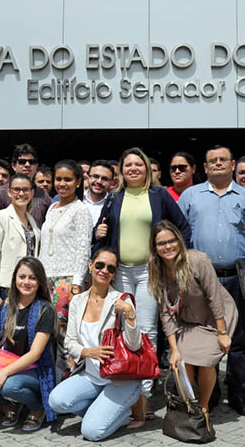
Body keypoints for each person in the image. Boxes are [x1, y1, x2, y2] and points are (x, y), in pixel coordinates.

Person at [93, 147, 192, 422]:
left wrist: (175, 259)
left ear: (147, 169)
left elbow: (182, 227)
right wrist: (96, 232)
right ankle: (125, 386)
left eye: (139, 164)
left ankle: (143, 398)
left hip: (150, 272)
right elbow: (103, 232)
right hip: (121, 271)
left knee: (146, 330)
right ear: (121, 171)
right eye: (128, 165)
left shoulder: (159, 196)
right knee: (124, 329)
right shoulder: (114, 198)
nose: (133, 168)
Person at [178, 145, 245, 416]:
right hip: (200, 280)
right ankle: (210, 394)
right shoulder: (190, 196)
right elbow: (179, 235)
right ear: (204, 167)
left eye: (223, 160)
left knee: (238, 339)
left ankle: (239, 394)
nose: (218, 164)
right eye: (212, 160)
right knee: (206, 338)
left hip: (236, 278)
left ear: (232, 164)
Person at [49, 248, 142, 440]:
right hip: (91, 376)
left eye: (111, 268)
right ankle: (108, 412)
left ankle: (120, 412)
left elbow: (134, 346)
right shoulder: (78, 301)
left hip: (120, 379)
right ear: (90, 265)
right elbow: (70, 342)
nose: (104, 270)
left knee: (91, 432)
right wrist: (87, 352)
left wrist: (130, 316)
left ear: (114, 273)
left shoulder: (121, 301)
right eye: (99, 265)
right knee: (56, 401)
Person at [148, 221, 238, 412]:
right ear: (154, 248)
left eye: (172, 241)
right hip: (188, 321)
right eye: (162, 243)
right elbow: (165, 314)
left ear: (179, 241)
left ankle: (203, 408)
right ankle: (190, 405)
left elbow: (215, 297)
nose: (168, 246)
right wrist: (173, 349)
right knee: (182, 359)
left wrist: (222, 332)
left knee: (205, 361)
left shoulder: (197, 260)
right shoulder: (156, 270)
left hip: (217, 317)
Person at [0, 257, 59, 432]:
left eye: (32, 278)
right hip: (9, 364)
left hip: (36, 369)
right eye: (22, 277)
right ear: (15, 279)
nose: (26, 282)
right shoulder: (7, 307)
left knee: (10, 386)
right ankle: (12, 404)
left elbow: (35, 354)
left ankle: (37, 407)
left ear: (40, 282)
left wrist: (4, 373)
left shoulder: (46, 310)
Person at [39, 160, 94, 381]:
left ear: (78, 182)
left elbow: (83, 248)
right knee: (46, 333)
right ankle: (47, 381)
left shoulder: (81, 210)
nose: (62, 184)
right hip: (45, 278)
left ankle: (66, 383)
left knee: (64, 335)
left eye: (68, 179)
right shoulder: (52, 207)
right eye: (59, 179)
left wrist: (77, 282)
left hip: (66, 280)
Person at [0, 173, 41, 314]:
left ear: (32, 192)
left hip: (27, 286)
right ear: (9, 192)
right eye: (16, 189)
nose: (21, 193)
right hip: (6, 286)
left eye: (26, 190)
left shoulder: (32, 221)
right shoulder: (0, 217)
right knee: (5, 333)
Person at [0, 144, 53, 227]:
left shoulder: (43, 195)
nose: (27, 165)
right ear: (13, 166)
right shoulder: (0, 194)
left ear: (36, 166)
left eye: (31, 162)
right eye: (22, 162)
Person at [84, 160, 114, 226]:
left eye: (104, 179)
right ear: (88, 178)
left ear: (111, 183)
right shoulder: (76, 199)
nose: (99, 181)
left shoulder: (114, 204)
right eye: (95, 176)